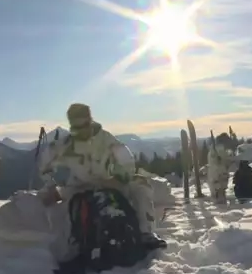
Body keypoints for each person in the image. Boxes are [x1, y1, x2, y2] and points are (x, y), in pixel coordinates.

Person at [37, 103, 163, 247]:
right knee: (46, 200)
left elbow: (127, 162)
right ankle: (74, 243)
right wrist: (51, 186)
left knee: (141, 185)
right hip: (79, 187)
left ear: (90, 120)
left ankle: (146, 232)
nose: (82, 130)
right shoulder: (65, 145)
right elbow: (44, 164)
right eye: (77, 126)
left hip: (108, 183)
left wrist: (120, 176)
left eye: (84, 124)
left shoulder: (106, 140)